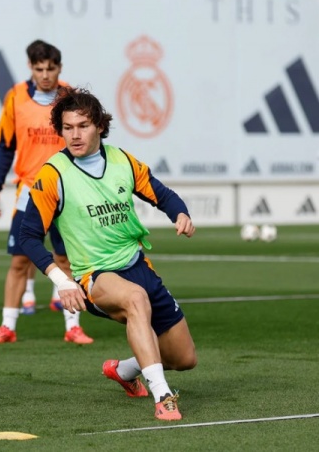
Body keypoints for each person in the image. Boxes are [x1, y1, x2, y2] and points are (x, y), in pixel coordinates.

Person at [19, 86, 197, 421]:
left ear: (100, 126)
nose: (74, 135)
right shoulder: (53, 174)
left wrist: (181, 214)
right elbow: (28, 236)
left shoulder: (122, 161)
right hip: (94, 276)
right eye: (67, 128)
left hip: (138, 266)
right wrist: (62, 281)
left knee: (184, 358)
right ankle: (163, 396)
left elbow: (162, 194)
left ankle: (125, 370)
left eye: (83, 126)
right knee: (135, 299)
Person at [0, 40, 93, 345]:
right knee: (20, 261)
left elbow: (86, 142)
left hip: (65, 191)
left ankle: (73, 327)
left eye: (51, 68)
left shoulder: (71, 97)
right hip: (29, 191)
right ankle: (7, 327)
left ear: (59, 68)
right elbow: (5, 144)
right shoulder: (15, 97)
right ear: (30, 68)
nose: (45, 75)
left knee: (66, 260)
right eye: (39, 68)